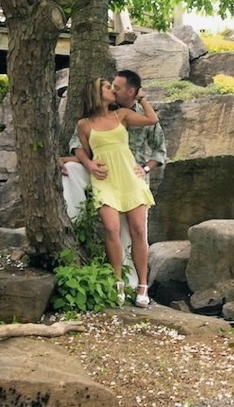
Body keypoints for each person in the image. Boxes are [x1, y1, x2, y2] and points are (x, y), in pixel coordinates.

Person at [75, 77, 159, 307]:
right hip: (105, 181)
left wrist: (141, 97)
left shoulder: (121, 115)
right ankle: (117, 281)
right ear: (96, 93)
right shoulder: (84, 124)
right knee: (111, 229)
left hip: (130, 178)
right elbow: (81, 151)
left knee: (139, 231)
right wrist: (89, 164)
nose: (111, 89)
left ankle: (143, 285)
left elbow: (152, 119)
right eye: (106, 87)